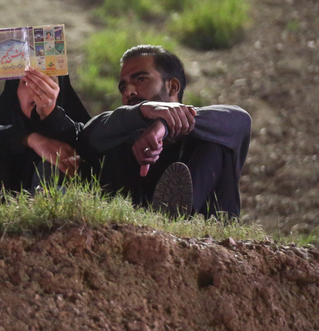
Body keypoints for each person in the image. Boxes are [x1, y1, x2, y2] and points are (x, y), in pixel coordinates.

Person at [75, 45, 251, 218]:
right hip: (140, 235)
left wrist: (163, 125)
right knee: (114, 148)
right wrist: (143, 112)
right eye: (123, 87)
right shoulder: (122, 135)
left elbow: (240, 119)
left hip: (203, 239)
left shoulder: (211, 128)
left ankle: (177, 217)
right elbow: (84, 136)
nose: (128, 91)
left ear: (173, 87)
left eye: (141, 79)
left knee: (214, 143)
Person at [0, 67, 92, 199]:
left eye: (46, 82)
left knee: (54, 166)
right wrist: (29, 139)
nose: (36, 90)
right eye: (25, 82)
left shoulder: (87, 133)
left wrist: (51, 116)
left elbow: (87, 147)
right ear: (14, 91)